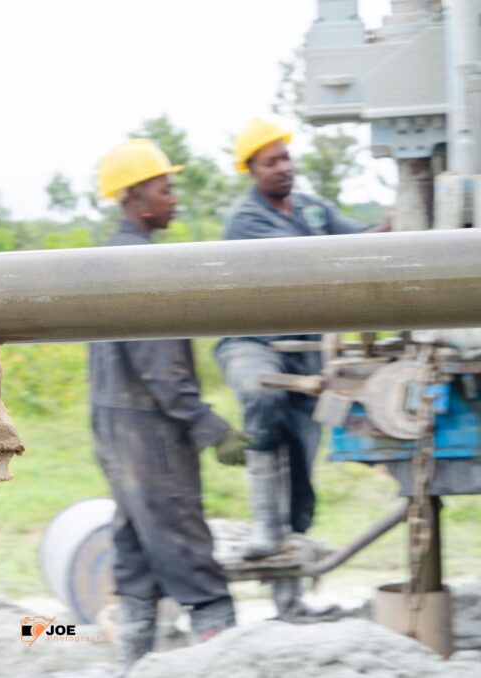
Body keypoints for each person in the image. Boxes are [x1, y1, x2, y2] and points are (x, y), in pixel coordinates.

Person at [215, 118, 390, 616]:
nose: (284, 168)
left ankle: (289, 602)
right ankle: (266, 526)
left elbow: (360, 241)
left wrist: (393, 225)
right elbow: (314, 261)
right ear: (251, 170)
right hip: (256, 343)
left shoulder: (313, 208)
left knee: (303, 476)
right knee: (262, 394)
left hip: (306, 355)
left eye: (286, 158)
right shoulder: (247, 220)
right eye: (271, 162)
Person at [88, 139, 249, 665]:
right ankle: (223, 656)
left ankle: (132, 664)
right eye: (165, 187)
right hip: (149, 430)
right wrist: (211, 426)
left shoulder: (108, 257)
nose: (174, 197)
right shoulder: (140, 263)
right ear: (138, 197)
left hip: (114, 427)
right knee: (185, 546)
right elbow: (160, 367)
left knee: (136, 549)